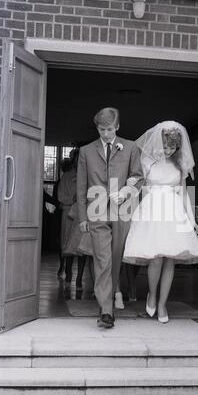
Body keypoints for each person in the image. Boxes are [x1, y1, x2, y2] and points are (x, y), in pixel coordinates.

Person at [123, 121, 198, 323]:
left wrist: (191, 218)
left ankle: (162, 304)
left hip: (174, 211)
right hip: (152, 210)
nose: (169, 151)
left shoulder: (180, 164)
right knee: (156, 257)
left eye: (173, 147)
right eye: (166, 146)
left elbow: (184, 193)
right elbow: (136, 186)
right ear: (159, 143)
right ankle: (152, 295)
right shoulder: (147, 162)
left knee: (171, 258)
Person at [77, 107, 144, 329]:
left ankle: (110, 299)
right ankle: (106, 310)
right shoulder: (86, 151)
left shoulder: (131, 147)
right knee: (102, 259)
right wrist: (81, 216)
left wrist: (125, 191)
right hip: (95, 210)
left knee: (115, 259)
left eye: (109, 129)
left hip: (121, 209)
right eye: (101, 129)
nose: (105, 133)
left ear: (117, 127)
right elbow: (81, 185)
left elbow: (138, 176)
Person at [58, 149, 87, 292]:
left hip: (83, 214)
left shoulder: (88, 176)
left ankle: (80, 279)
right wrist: (73, 199)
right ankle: (68, 275)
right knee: (68, 246)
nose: (78, 162)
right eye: (76, 160)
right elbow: (60, 196)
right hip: (69, 215)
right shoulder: (66, 177)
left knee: (82, 248)